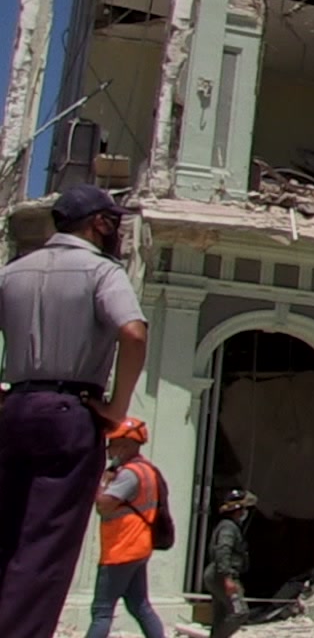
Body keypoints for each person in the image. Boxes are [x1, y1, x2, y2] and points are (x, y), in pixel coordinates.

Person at [0, 184, 148, 638]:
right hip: (71, 410)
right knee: (47, 543)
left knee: (6, 533)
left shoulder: (14, 271)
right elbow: (134, 333)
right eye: (113, 222)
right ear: (98, 223)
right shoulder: (101, 272)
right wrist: (117, 410)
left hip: (16, 404)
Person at [85, 417, 168, 638]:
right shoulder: (146, 469)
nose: (109, 448)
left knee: (102, 612)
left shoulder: (128, 474)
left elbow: (103, 506)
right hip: (138, 547)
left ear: (125, 444)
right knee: (139, 605)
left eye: (112, 442)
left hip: (120, 550)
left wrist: (103, 480)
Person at [206, 488, 256, 638]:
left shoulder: (229, 526)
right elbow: (223, 550)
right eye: (244, 509)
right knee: (240, 612)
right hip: (222, 575)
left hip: (217, 574)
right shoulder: (229, 527)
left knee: (220, 615)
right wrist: (227, 578)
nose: (245, 512)